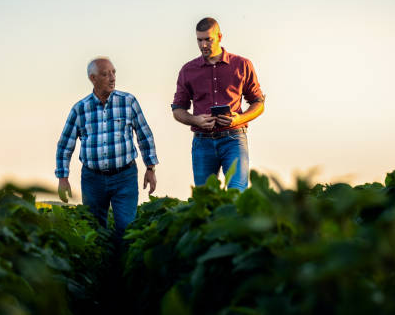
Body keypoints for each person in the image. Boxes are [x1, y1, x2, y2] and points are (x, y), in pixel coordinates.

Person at [55, 57, 158, 240]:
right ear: (93, 78)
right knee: (95, 231)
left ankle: (124, 266)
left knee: (126, 230)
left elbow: (144, 135)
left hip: (124, 177)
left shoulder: (128, 102)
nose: (112, 78)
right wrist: (63, 178)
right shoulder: (80, 109)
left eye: (113, 72)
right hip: (92, 180)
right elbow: (65, 145)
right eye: (105, 74)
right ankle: (102, 267)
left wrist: (150, 168)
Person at [171, 17, 264, 191]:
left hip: (234, 139)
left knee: (237, 193)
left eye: (208, 39)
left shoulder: (242, 65)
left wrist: (238, 119)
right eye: (199, 40)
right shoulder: (187, 70)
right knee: (205, 200)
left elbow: (258, 102)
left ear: (220, 36)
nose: (203, 45)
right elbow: (178, 110)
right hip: (202, 142)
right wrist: (196, 120)